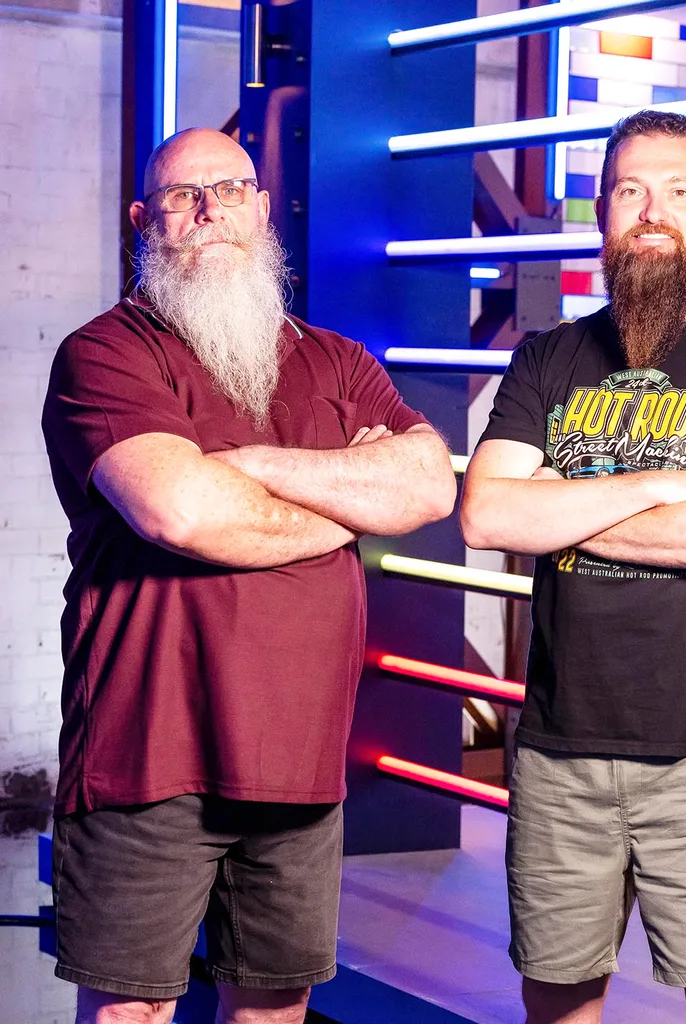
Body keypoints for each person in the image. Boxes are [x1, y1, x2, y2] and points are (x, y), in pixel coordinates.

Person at [41, 126, 456, 1024]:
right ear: (145, 220)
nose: (209, 210)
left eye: (229, 190)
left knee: (273, 1008)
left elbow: (427, 484)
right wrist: (350, 497)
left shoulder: (338, 359)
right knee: (129, 1013)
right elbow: (182, 512)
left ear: (262, 210)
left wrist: (249, 465)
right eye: (182, 196)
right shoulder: (107, 353)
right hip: (147, 752)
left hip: (299, 756)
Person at [460, 110, 686, 1024]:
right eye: (630, 190)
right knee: (558, 1001)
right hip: (559, 747)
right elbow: (487, 514)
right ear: (603, 210)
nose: (652, 211)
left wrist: (564, 506)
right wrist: (661, 484)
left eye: (677, 191)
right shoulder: (548, 356)